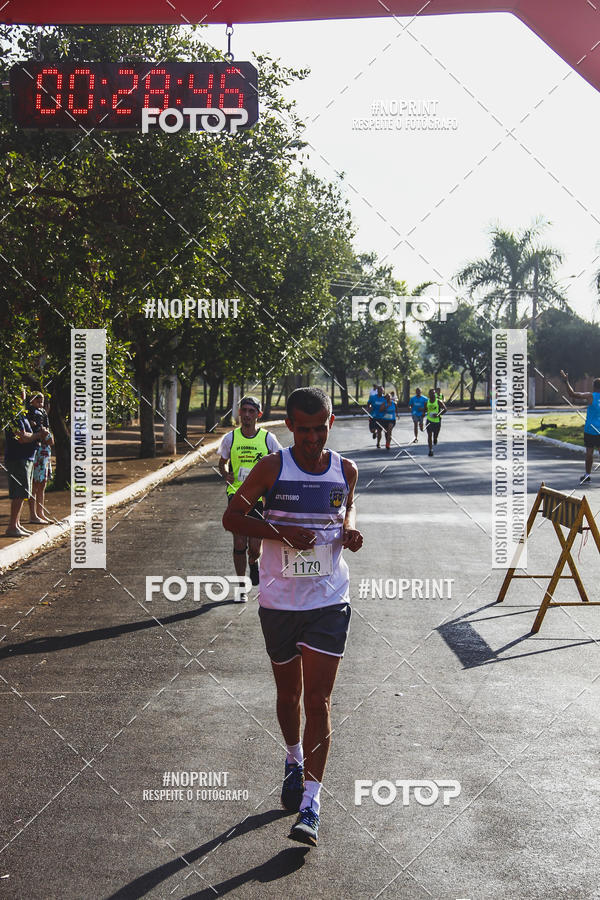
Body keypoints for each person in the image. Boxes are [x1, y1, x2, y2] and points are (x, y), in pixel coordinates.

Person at [222, 387, 363, 847]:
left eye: (319, 428)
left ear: (330, 423)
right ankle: (292, 757)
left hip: (328, 599)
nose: (311, 438)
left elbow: (347, 505)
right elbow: (232, 518)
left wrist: (350, 529)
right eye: (302, 430)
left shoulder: (345, 469)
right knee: (290, 695)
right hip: (280, 601)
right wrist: (281, 533)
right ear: (289, 427)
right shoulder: (272, 467)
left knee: (319, 701)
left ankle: (311, 804)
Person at [218, 396, 282, 601]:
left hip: (260, 497)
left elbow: (280, 461)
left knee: (255, 547)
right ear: (239, 413)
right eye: (243, 410)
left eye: (251, 411)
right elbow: (223, 461)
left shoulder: (267, 439)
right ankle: (240, 586)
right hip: (236, 494)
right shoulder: (231, 438)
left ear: (258, 415)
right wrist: (225, 473)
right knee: (239, 542)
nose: (246, 415)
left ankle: (253, 562)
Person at [4, 401, 49, 537]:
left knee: (24, 492)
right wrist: (38, 436)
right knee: (19, 492)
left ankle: (17, 524)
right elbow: (22, 438)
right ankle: (12, 526)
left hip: (27, 458)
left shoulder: (22, 415)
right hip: (18, 458)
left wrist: (37, 433)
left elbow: (27, 434)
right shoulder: (13, 417)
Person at [560, 371, 600, 485]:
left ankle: (587, 475)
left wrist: (566, 381)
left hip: (590, 429)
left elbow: (572, 394)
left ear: (594, 387)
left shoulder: (590, 396)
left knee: (589, 453)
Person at [27, 392, 54, 524]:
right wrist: (41, 433)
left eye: (41, 401)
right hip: (36, 450)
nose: (40, 403)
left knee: (42, 483)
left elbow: (48, 435)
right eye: (37, 401)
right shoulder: (29, 413)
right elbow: (35, 431)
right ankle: (33, 514)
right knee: (34, 484)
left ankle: (40, 512)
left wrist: (47, 436)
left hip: (45, 450)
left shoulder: (43, 413)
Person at [426, 388, 447, 456]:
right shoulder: (427, 402)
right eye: (431, 393)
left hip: (437, 421)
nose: (432, 395)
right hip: (429, 420)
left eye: (433, 393)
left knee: (435, 435)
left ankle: (435, 438)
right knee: (429, 435)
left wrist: (438, 414)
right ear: (429, 395)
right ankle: (430, 450)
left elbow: (445, 409)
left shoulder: (438, 401)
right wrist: (422, 415)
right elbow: (424, 410)